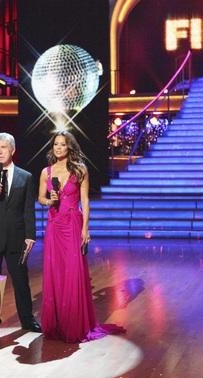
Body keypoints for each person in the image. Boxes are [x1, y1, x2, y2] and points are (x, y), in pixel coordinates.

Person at [38, 131, 125, 343]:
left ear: (69, 147)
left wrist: (86, 228)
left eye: (62, 145)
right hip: (54, 225)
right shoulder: (46, 172)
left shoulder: (80, 170)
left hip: (73, 223)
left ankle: (74, 323)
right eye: (56, 144)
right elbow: (40, 197)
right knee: (55, 272)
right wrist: (49, 201)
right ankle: (57, 323)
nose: (58, 148)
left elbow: (85, 201)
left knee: (73, 272)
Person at [0, 132, 41, 332]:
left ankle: (27, 320)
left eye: (3, 147)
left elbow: (29, 208)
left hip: (17, 238)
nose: (0, 152)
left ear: (12, 150)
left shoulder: (25, 177)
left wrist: (30, 235)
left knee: (21, 281)